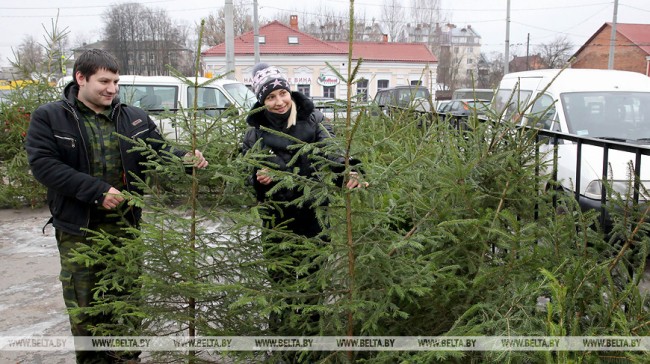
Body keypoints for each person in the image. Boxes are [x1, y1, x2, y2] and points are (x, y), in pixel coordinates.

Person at [25, 49, 208, 363]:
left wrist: (187, 161)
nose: (112, 89)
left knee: (126, 299)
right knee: (86, 305)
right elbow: (44, 166)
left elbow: (159, 151)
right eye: (104, 81)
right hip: (79, 230)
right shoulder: (51, 117)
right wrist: (96, 191)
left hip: (125, 228)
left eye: (116, 82)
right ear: (80, 78)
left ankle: (126, 358)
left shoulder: (133, 117)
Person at [241, 63, 365, 341]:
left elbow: (332, 152)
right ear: (262, 101)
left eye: (282, 93)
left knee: (312, 283)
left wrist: (349, 171)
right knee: (281, 283)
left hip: (313, 217)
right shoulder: (253, 134)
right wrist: (256, 176)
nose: (278, 101)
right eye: (270, 97)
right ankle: (282, 340)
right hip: (276, 221)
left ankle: (312, 336)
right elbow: (242, 172)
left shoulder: (314, 121)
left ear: (289, 92)